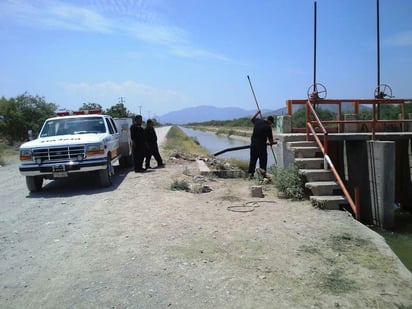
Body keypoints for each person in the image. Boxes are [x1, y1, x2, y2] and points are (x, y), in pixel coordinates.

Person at [247, 110, 275, 179]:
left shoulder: (258, 121)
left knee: (252, 160)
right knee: (263, 161)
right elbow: (271, 140)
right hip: (262, 147)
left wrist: (257, 112)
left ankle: (250, 175)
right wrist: (271, 143)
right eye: (271, 123)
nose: (270, 124)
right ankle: (262, 175)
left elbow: (252, 119)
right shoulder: (268, 127)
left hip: (253, 146)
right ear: (270, 121)